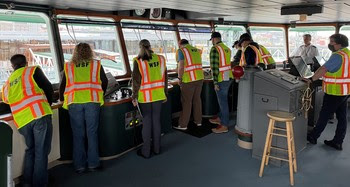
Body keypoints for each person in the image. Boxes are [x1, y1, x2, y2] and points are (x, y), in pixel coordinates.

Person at [1, 54, 53, 187]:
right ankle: (39, 184)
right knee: (41, 152)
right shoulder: (32, 70)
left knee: (31, 150)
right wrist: (48, 104)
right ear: (26, 62)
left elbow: (6, 100)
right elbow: (48, 88)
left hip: (22, 122)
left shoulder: (7, 83)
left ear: (12, 66)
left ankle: (27, 182)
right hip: (39, 114)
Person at [59, 43, 108, 173]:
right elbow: (105, 81)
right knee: (92, 133)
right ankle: (93, 164)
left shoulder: (68, 66)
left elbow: (63, 85)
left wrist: (62, 98)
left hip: (74, 102)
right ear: (89, 51)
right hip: (92, 101)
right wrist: (100, 93)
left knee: (77, 134)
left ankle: (79, 166)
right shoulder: (96, 64)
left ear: (75, 52)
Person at [306, 34, 350, 151]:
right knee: (342, 117)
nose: (329, 45)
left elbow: (323, 69)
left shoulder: (337, 56)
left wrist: (311, 79)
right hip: (345, 91)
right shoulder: (348, 54)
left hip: (334, 92)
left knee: (324, 115)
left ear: (339, 44)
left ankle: (313, 136)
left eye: (332, 43)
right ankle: (338, 141)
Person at [132, 39, 168, 158]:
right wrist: (165, 94)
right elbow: (165, 78)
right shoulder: (161, 59)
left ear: (140, 47)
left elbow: (136, 82)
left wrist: (134, 97)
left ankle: (146, 152)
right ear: (150, 46)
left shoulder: (138, 61)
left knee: (147, 123)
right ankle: (157, 149)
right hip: (158, 95)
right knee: (156, 121)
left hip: (145, 97)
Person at [173, 39, 204, 130]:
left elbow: (181, 66)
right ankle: (198, 121)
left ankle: (183, 125)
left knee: (187, 102)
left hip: (188, 80)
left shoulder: (181, 51)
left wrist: (179, 78)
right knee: (197, 100)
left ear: (180, 45)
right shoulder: (196, 50)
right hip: (199, 78)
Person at [209, 32, 233, 133]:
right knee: (223, 101)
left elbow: (215, 67)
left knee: (223, 102)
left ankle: (224, 125)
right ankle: (220, 118)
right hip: (228, 77)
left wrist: (215, 82)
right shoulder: (227, 48)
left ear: (214, 39)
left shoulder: (215, 49)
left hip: (220, 79)